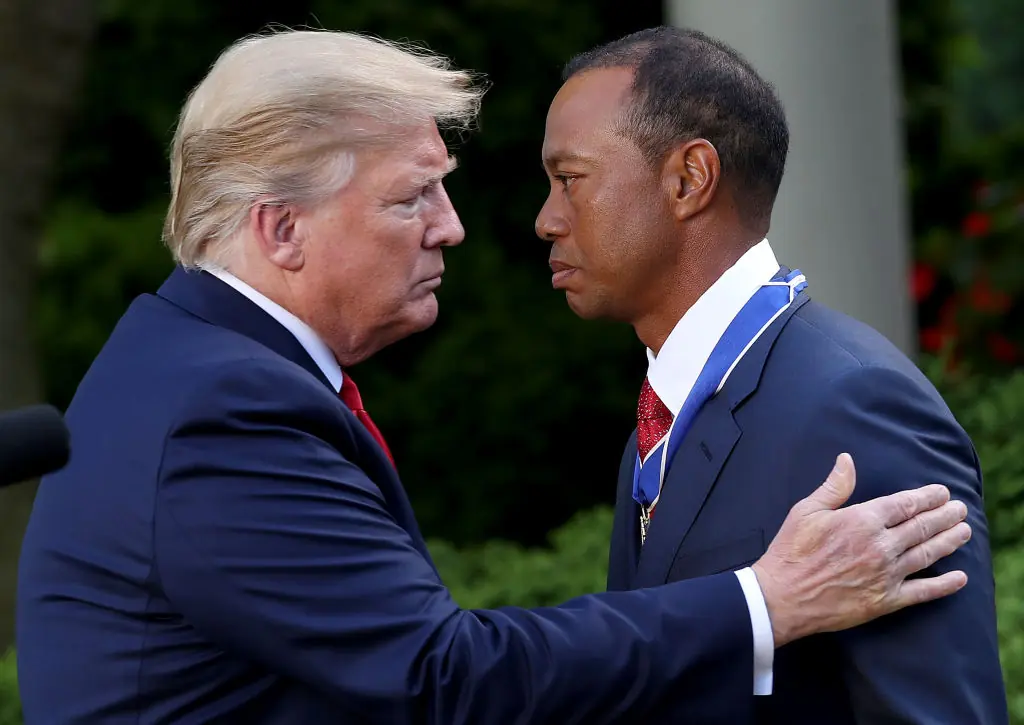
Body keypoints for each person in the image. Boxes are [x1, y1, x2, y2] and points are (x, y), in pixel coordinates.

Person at [16, 30, 971, 725]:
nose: (454, 225)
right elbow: (442, 678)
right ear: (281, 229)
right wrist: (766, 600)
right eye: (411, 195)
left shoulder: (838, 396)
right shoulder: (221, 409)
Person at [535, 26, 1007, 724]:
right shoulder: (660, 418)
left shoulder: (853, 401)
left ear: (689, 179)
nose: (546, 219)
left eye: (570, 180)